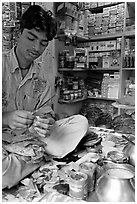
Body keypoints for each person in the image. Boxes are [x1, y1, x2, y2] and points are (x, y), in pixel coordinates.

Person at [2, 5, 57, 189]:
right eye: (31, 38)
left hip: (29, 139)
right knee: (2, 173)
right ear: (19, 33)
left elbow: (46, 112)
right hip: (3, 140)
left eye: (43, 43)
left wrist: (46, 122)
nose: (36, 48)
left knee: (80, 123)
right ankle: (35, 160)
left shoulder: (43, 78)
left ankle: (26, 161)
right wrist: (5, 118)